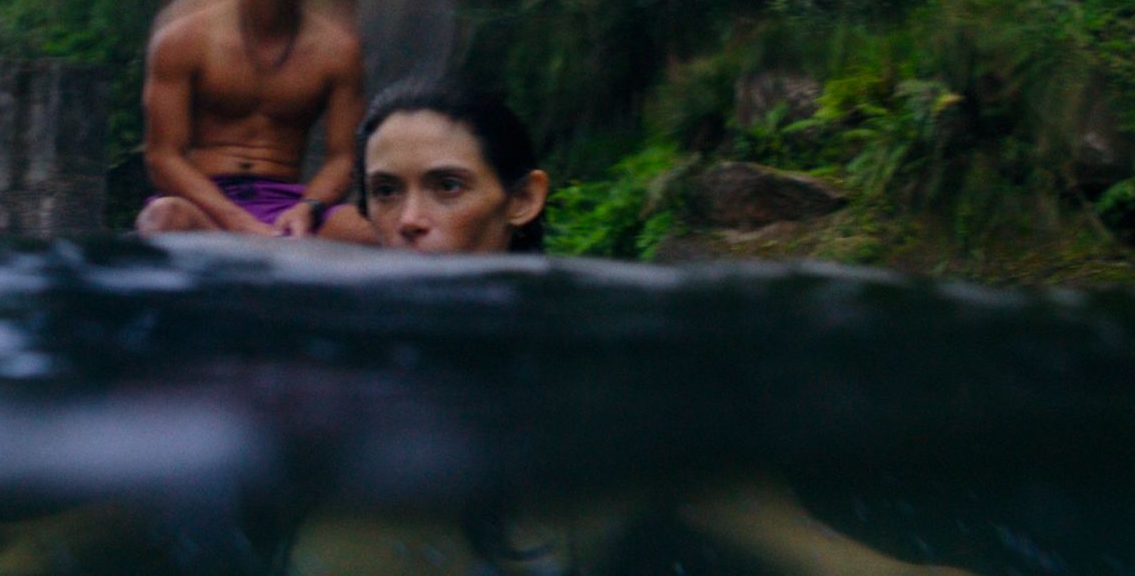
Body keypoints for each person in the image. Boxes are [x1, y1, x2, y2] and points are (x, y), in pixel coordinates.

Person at [284, 80, 978, 576]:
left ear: (523, 199)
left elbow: (785, 532)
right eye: (386, 191)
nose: (409, 219)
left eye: (447, 186)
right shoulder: (332, 371)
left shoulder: (614, 366)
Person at [135, 0, 376, 243]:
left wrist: (307, 208)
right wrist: (238, 221)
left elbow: (343, 159)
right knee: (164, 216)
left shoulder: (337, 49)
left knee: (373, 231)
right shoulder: (185, 38)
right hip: (203, 203)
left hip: (287, 206)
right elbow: (162, 157)